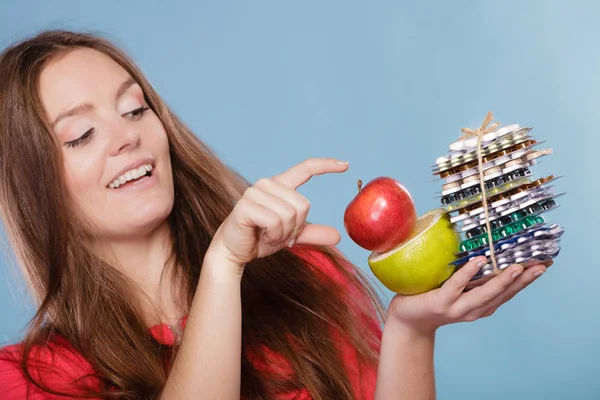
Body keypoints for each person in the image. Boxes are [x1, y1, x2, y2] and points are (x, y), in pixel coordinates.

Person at [0, 29, 548, 400]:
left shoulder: (307, 279)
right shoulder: (30, 380)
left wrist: (411, 329)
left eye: (135, 108)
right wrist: (222, 268)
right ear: (32, 189)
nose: (128, 136)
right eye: (82, 135)